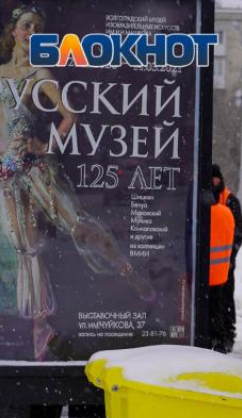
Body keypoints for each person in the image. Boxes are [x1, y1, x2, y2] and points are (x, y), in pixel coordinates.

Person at [0, 5, 155, 362]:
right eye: (26, 26)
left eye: (38, 28)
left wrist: (46, 145)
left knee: (79, 226)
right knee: (26, 246)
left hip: (35, 166)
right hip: (6, 173)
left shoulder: (39, 73)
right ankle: (41, 325)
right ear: (13, 31)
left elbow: (70, 115)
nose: (31, 33)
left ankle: (127, 270)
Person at [211, 165, 242, 353]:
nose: (214, 183)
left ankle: (227, 336)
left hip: (225, 264)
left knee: (225, 300)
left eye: (216, 179)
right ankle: (217, 335)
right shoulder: (216, 199)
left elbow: (238, 233)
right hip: (214, 265)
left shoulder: (230, 200)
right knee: (216, 302)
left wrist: (230, 256)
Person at [208, 172, 236, 353]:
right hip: (222, 270)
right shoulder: (227, 212)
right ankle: (222, 341)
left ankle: (216, 340)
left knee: (212, 310)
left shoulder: (208, 213)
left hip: (209, 270)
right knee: (219, 308)